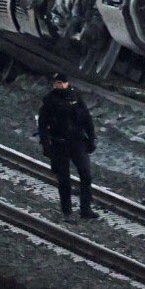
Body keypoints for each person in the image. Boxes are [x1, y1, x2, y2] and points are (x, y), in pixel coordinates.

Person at [38, 72, 97, 221]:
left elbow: (87, 119)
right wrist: (46, 146)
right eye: (56, 83)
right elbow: (43, 125)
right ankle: (67, 212)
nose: (59, 85)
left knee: (86, 175)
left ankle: (86, 210)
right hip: (59, 143)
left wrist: (91, 138)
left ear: (67, 83)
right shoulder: (50, 100)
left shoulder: (76, 97)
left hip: (77, 142)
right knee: (64, 180)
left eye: (61, 83)